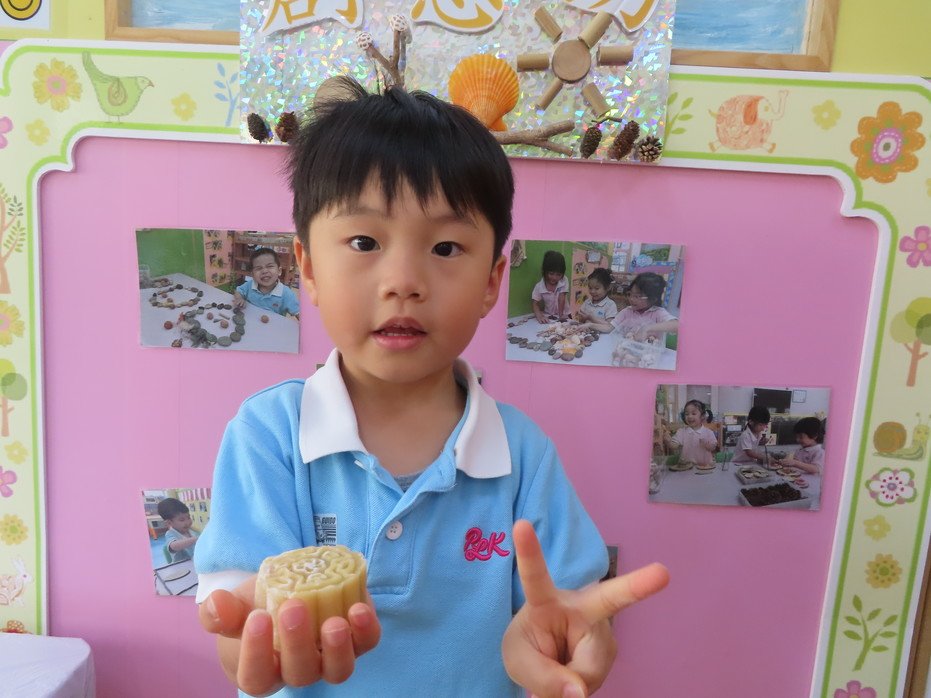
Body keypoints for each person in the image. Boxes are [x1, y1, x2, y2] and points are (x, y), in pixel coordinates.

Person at [194, 77, 668, 698]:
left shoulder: (522, 455)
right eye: (364, 242)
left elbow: (570, 612)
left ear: (492, 281)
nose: (404, 281)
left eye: (446, 247)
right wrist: (259, 643)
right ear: (306, 267)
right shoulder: (268, 435)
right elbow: (237, 625)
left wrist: (572, 643)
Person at [581, 273, 679, 343]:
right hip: (626, 351)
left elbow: (677, 325)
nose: (631, 299)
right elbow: (610, 327)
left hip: (648, 356)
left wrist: (647, 328)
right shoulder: (627, 311)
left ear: (653, 299)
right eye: (630, 294)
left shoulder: (657, 313)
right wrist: (590, 325)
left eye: (637, 296)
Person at [232, 248, 301, 318]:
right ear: (252, 275)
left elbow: (298, 313)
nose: (264, 271)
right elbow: (238, 291)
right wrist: (239, 298)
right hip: (249, 320)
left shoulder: (286, 294)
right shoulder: (249, 285)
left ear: (279, 271)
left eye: (270, 266)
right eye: (259, 268)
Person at [664, 400, 717, 467]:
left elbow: (713, 448)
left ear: (702, 416)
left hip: (705, 467)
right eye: (687, 414)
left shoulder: (708, 432)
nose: (689, 416)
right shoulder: (682, 432)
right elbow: (674, 446)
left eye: (693, 413)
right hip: (686, 467)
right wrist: (668, 442)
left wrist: (707, 445)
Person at [531, 250, 569, 323]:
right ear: (545, 271)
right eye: (551, 273)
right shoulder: (539, 286)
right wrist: (539, 316)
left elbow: (561, 298)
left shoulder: (564, 280)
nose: (554, 278)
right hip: (549, 315)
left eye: (558, 274)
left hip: (564, 314)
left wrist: (561, 315)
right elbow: (535, 304)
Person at [158, 497, 198, 563]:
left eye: (188, 517)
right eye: (182, 520)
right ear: (169, 523)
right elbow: (174, 546)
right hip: (182, 566)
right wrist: (195, 539)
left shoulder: (191, 531)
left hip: (195, 562)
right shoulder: (170, 533)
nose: (188, 522)